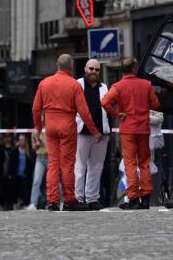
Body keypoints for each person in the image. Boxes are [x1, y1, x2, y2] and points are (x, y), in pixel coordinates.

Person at [32, 54, 101, 211]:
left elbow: (36, 109)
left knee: (53, 163)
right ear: (71, 67)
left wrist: (38, 128)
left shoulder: (44, 83)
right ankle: (70, 200)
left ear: (57, 65)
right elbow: (84, 112)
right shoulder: (74, 85)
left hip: (50, 126)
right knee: (68, 164)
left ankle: (52, 201)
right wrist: (94, 131)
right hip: (67, 126)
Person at [102, 57, 160, 210]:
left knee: (130, 163)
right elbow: (155, 104)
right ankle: (146, 197)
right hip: (143, 128)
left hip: (127, 129)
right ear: (135, 68)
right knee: (145, 162)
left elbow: (105, 102)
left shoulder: (118, 86)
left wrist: (116, 114)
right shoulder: (146, 85)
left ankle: (133, 198)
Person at [75, 59, 111, 210]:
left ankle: (92, 198)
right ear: (85, 69)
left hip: (102, 133)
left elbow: (109, 107)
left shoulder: (104, 87)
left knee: (97, 166)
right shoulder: (78, 84)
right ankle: (77, 197)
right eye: (91, 69)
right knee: (80, 166)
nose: (94, 72)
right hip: (82, 132)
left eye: (97, 70)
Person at [8, 135, 34, 209]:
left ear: (25, 141)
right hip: (15, 175)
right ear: (18, 141)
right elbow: (11, 163)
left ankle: (24, 204)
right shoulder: (14, 151)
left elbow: (30, 165)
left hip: (25, 175)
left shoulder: (29, 151)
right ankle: (15, 204)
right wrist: (10, 174)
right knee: (15, 191)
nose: (21, 141)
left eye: (23, 140)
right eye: (20, 140)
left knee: (25, 191)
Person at [28, 125, 49, 210]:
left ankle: (62, 201)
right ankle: (33, 203)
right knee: (36, 181)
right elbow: (33, 147)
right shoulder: (34, 131)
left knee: (55, 181)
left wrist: (44, 141)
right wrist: (37, 144)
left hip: (50, 157)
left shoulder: (49, 127)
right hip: (39, 158)